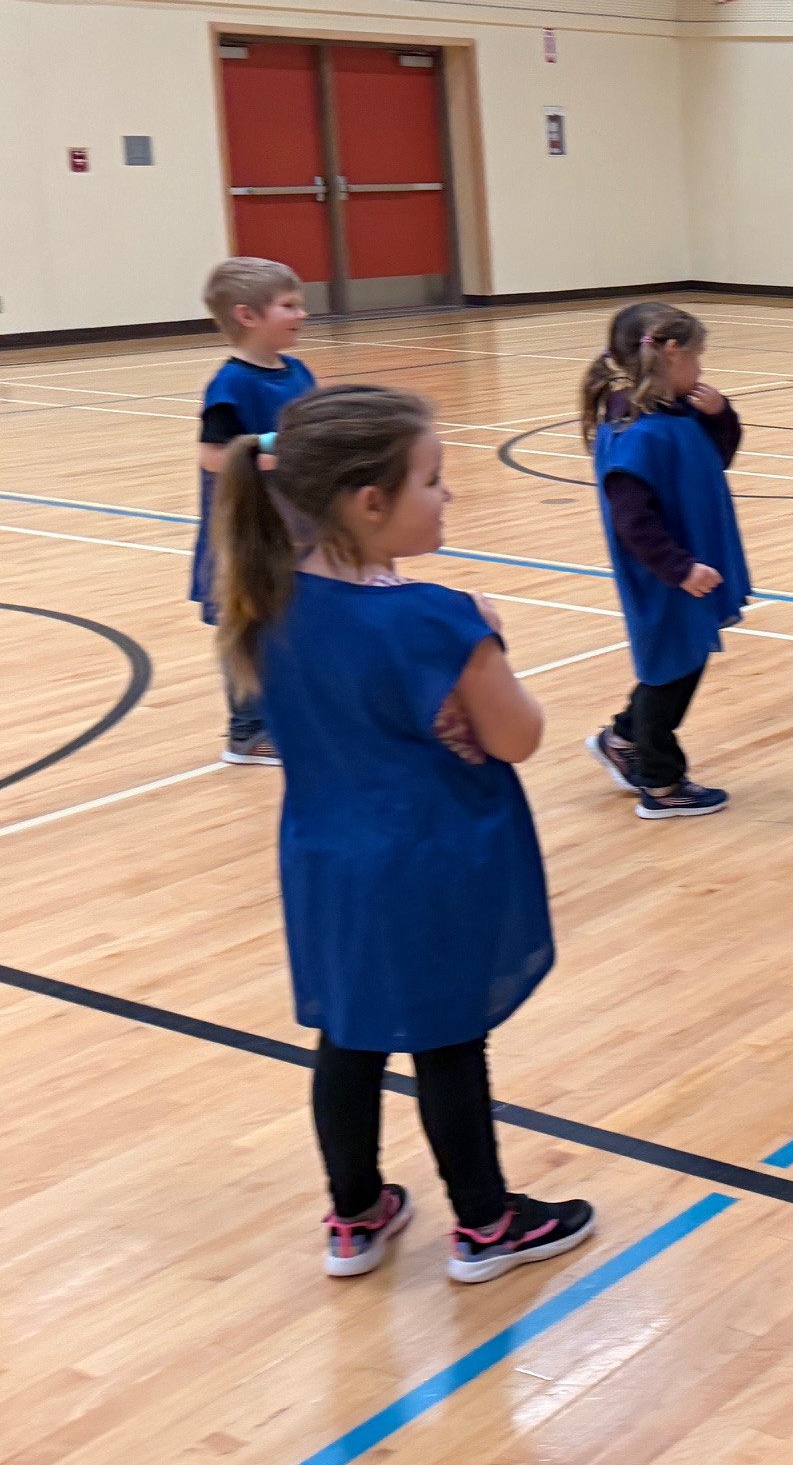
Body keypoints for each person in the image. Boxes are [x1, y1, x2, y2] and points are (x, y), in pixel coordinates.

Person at [213, 383, 595, 1284]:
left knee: (348, 1037)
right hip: (433, 860)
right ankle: (487, 1223)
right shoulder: (438, 619)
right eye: (433, 479)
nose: (448, 495)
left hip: (326, 863)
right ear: (369, 502)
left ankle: (354, 1215)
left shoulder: (263, 602)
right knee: (448, 1042)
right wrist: (490, 642)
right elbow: (519, 737)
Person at [579, 301, 751, 820]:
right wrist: (678, 569)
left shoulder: (676, 415)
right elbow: (632, 522)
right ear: (670, 353)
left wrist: (721, 417)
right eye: (698, 357)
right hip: (664, 575)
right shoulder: (636, 431)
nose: (702, 370)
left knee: (680, 661)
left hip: (687, 565)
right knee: (669, 672)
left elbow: (714, 458)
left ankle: (624, 738)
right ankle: (659, 780)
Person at [192, 256, 316, 765]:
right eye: (289, 306)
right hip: (246, 527)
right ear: (247, 315)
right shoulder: (232, 385)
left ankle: (289, 714)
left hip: (294, 523)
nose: (301, 314)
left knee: (293, 618)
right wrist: (272, 444)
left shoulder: (299, 371)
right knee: (249, 623)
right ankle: (247, 731)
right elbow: (213, 454)